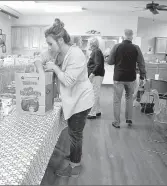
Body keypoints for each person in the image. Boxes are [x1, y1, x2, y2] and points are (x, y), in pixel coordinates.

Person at [35, 18, 94, 177]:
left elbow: (68, 81)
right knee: (73, 132)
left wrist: (54, 68)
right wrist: (41, 76)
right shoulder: (57, 51)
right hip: (71, 98)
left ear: (60, 40)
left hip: (81, 100)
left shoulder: (76, 55)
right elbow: (38, 59)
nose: (48, 47)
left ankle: (75, 166)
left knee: (75, 133)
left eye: (50, 43)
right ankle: (75, 154)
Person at [107, 29, 146, 128]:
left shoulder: (117, 46)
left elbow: (110, 62)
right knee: (129, 98)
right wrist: (142, 76)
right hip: (130, 78)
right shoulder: (136, 48)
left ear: (123, 36)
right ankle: (129, 119)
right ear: (132, 37)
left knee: (117, 100)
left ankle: (117, 122)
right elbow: (141, 63)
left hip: (118, 77)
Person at [87, 38, 105, 119]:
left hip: (96, 75)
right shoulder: (96, 51)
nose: (88, 45)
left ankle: (92, 113)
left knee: (94, 94)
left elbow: (98, 64)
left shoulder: (96, 51)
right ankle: (97, 111)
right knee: (96, 93)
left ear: (92, 44)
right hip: (98, 75)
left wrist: (92, 74)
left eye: (89, 43)